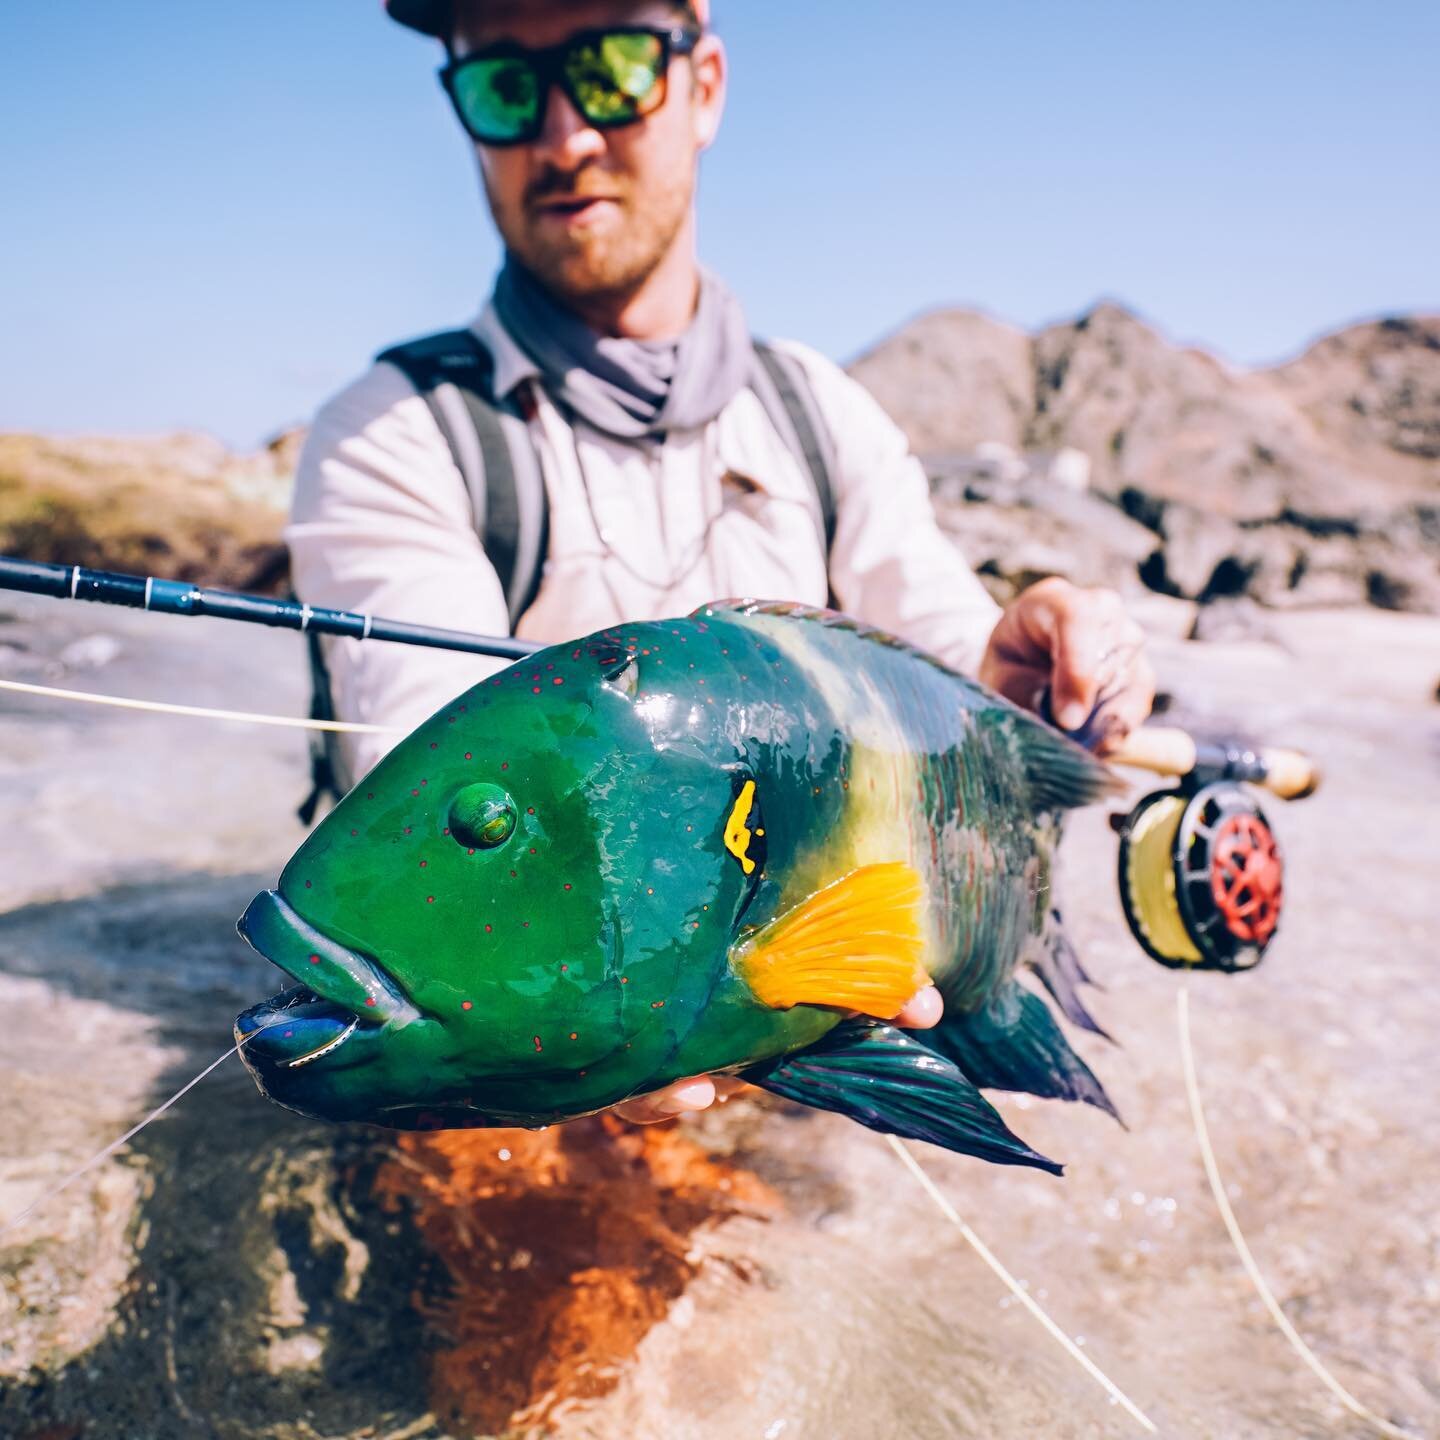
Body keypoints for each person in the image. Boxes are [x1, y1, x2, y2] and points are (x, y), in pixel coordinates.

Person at [287, 0, 1156, 1122]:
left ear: (705, 86)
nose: (563, 139)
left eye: (609, 70)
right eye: (504, 85)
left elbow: (936, 646)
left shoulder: (819, 413)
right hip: (544, 1034)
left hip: (775, 1028)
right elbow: (423, 752)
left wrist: (1017, 675)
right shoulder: (391, 432)